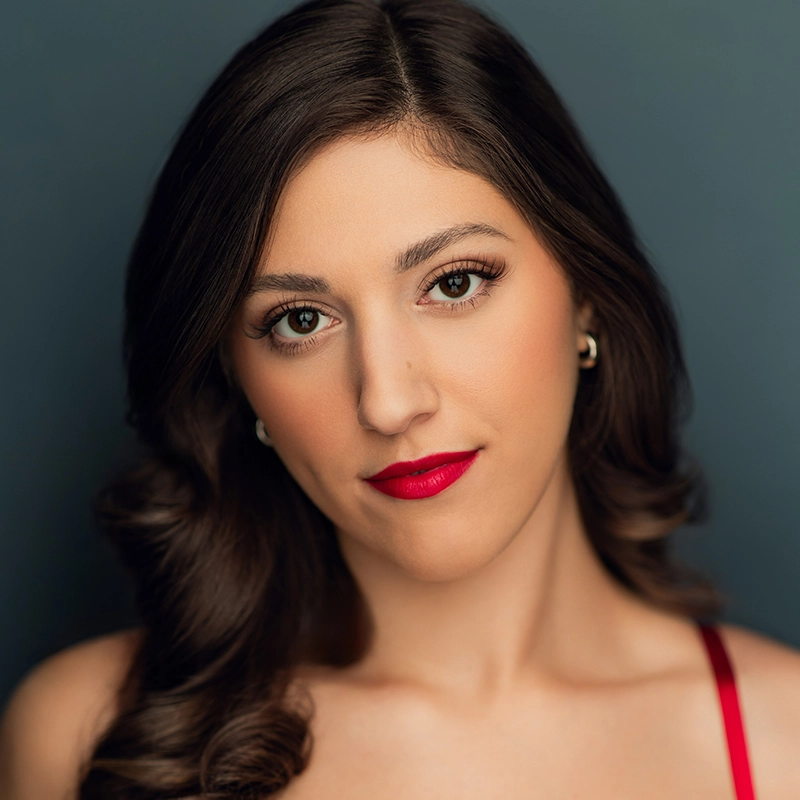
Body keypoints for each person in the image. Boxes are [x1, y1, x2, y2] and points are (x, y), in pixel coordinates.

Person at [1, 0, 798, 797]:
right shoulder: (88, 736)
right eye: (299, 321)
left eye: (453, 284)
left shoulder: (784, 742)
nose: (388, 400)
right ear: (236, 376)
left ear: (584, 292)